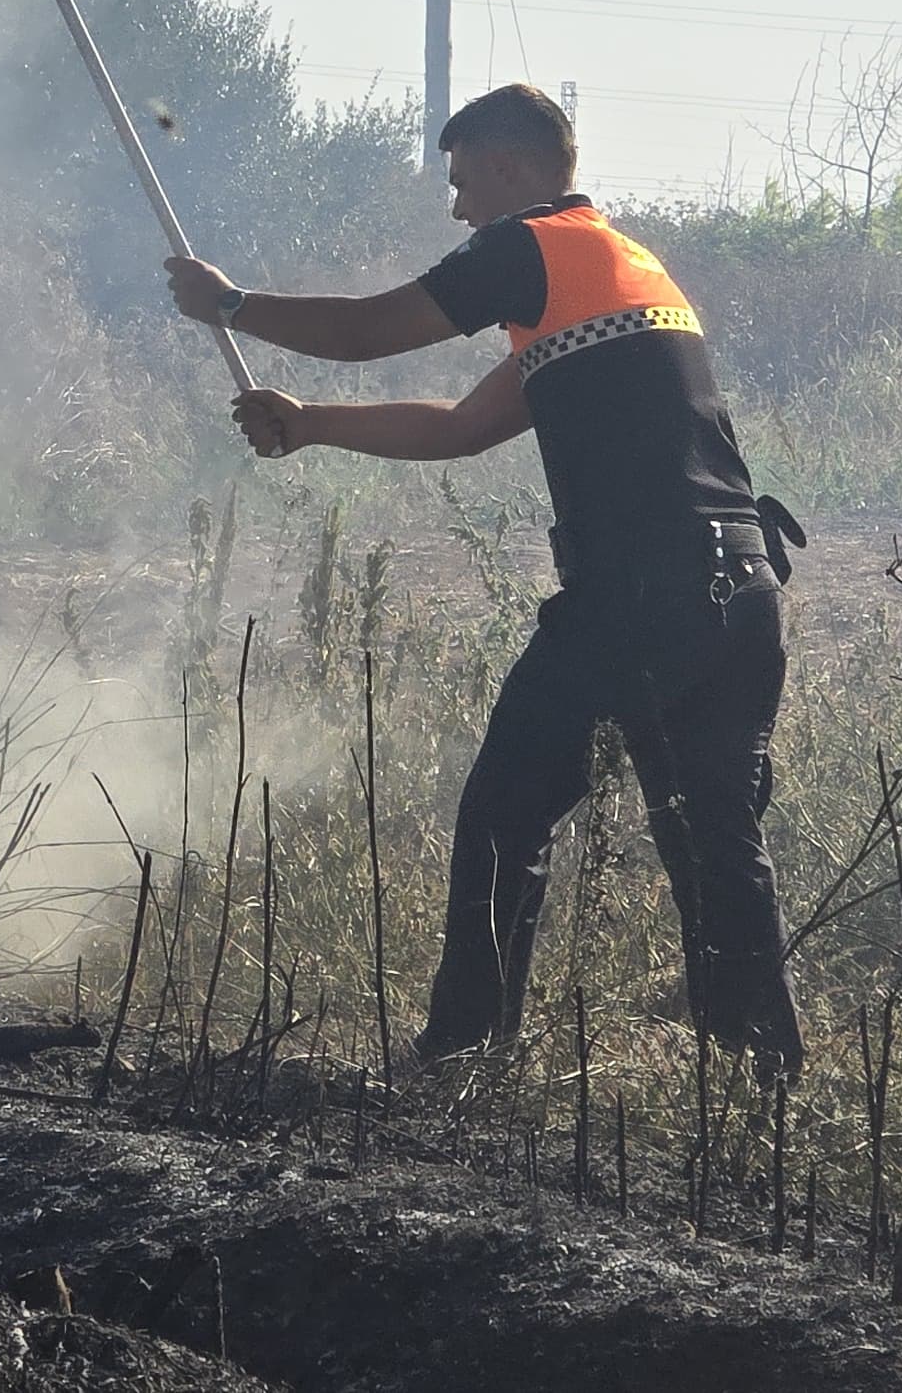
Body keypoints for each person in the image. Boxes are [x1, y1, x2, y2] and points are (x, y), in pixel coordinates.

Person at [164, 81, 806, 1077]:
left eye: (462, 183)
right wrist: (311, 422)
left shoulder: (531, 244)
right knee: (713, 842)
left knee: (506, 809)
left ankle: (462, 1054)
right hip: (739, 587)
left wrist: (233, 304)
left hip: (639, 593)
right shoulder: (621, 269)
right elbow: (462, 428)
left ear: (510, 167)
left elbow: (374, 327)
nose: (458, 209)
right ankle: (762, 1080)